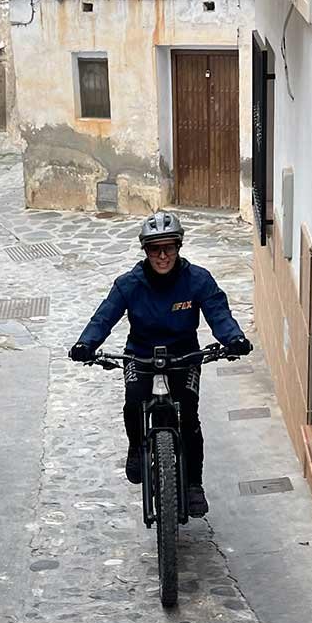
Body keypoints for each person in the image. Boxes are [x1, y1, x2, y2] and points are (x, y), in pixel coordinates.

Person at [67, 211, 252, 516]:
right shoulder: (129, 284)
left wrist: (234, 339)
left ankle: (193, 484)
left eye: (168, 248)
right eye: (155, 249)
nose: (163, 256)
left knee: (189, 417)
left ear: (179, 247)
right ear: (146, 251)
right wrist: (86, 344)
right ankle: (135, 448)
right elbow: (104, 316)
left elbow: (218, 313)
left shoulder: (198, 280)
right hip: (140, 355)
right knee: (133, 401)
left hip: (184, 357)